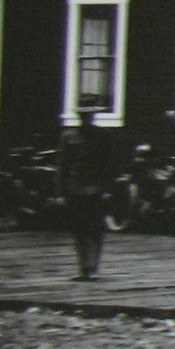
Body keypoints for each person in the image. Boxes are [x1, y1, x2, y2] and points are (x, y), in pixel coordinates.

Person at [54, 108, 118, 281]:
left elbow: (109, 164)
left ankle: (93, 266)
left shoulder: (104, 135)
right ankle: (84, 267)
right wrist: (60, 192)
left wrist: (107, 189)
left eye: (89, 116)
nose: (86, 119)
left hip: (96, 188)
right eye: (83, 116)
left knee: (95, 228)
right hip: (74, 189)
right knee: (79, 229)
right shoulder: (68, 136)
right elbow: (62, 165)